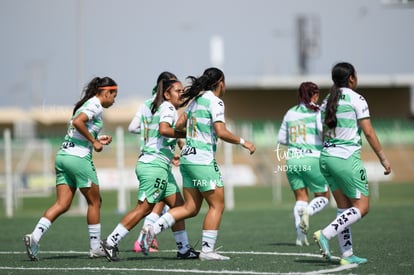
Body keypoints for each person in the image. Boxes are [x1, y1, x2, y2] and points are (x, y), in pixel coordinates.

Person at [138, 67, 256, 261]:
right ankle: (207, 251)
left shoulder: (194, 101)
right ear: (220, 82)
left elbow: (178, 126)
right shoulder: (216, 102)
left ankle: (153, 228)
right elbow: (221, 131)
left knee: (190, 208)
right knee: (217, 205)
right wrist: (244, 142)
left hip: (187, 159)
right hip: (202, 160)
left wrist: (194, 133)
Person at [100, 77, 199, 261]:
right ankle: (111, 241)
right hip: (154, 166)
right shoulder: (168, 107)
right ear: (167, 93)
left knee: (178, 206)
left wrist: (173, 152)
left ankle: (184, 249)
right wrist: (186, 133)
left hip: (159, 165)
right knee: (144, 209)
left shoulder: (160, 106)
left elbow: (158, 134)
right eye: (178, 91)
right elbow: (164, 130)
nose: (181, 94)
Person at [23, 76, 118, 261]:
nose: (114, 100)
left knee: (63, 204)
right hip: (78, 159)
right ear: (106, 92)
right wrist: (94, 141)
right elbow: (78, 122)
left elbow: (79, 127)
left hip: (63, 156)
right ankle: (95, 247)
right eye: (114, 95)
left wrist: (98, 139)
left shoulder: (87, 104)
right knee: (95, 202)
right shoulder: (95, 104)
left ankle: (34, 237)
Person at [313, 62, 391, 265]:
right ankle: (325, 234)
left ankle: (347, 255)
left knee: (344, 207)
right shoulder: (357, 99)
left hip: (327, 158)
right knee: (362, 207)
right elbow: (368, 132)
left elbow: (321, 133)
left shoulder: (326, 101)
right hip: (346, 159)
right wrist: (383, 158)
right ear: (351, 78)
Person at [127, 71, 183, 253]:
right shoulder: (166, 106)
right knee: (155, 204)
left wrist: (148, 134)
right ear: (166, 89)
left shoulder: (146, 103)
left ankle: (149, 238)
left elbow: (132, 127)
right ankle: (143, 239)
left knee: (159, 203)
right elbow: (166, 129)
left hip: (149, 155)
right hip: (156, 159)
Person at [277, 82, 330, 247]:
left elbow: (281, 139)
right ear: (314, 95)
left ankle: (300, 237)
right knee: (323, 197)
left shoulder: (290, 113)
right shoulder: (317, 112)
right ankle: (309, 212)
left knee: (301, 198)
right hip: (313, 158)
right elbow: (324, 133)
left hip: (292, 159)